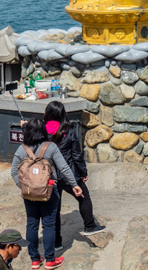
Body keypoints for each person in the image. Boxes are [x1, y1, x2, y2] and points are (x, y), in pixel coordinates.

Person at [11, 118, 83, 270]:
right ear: (44, 131)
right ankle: (50, 260)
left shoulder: (22, 148)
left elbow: (13, 171)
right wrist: (74, 185)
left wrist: (24, 187)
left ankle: (35, 260)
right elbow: (63, 168)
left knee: (32, 224)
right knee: (49, 225)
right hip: (49, 191)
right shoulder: (51, 147)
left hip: (29, 194)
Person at [43, 101, 105, 251]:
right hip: (69, 175)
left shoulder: (42, 131)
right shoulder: (68, 131)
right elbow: (77, 155)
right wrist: (83, 172)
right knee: (84, 196)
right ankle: (89, 226)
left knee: (54, 210)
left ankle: (56, 242)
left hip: (50, 176)